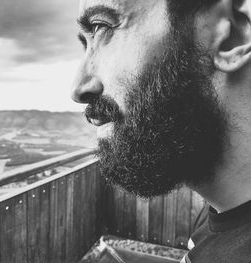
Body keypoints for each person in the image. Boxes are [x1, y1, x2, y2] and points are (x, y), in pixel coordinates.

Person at [71, 0, 251, 262]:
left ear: (229, 36)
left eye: (101, 27)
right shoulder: (218, 210)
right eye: (86, 45)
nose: (78, 87)